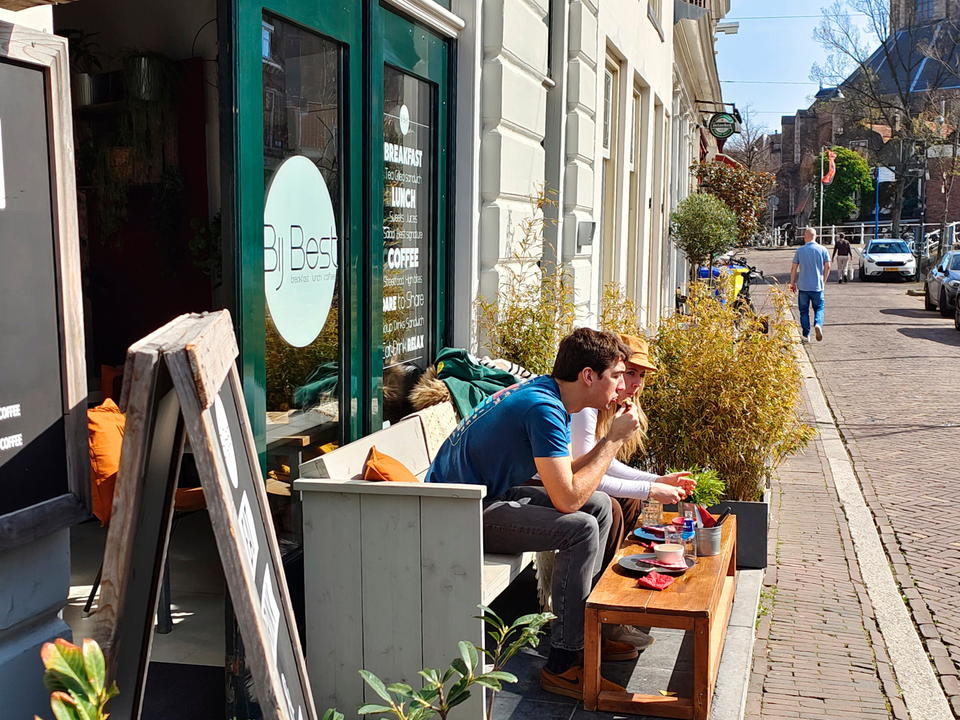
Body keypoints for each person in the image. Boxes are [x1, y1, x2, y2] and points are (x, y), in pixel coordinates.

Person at [427, 328, 642, 699]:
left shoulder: (547, 394)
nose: (623, 385)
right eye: (617, 375)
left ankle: (582, 633)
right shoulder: (543, 407)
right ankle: (563, 663)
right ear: (588, 376)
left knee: (601, 506)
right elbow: (567, 500)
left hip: (485, 495)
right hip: (456, 511)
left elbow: (569, 478)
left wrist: (608, 445)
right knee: (583, 528)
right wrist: (612, 441)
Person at [570, 333, 695, 650]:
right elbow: (587, 474)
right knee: (609, 506)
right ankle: (599, 617)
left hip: (562, 487)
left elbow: (605, 465)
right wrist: (651, 488)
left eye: (641, 375)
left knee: (622, 501)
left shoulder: (608, 405)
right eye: (629, 373)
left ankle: (613, 609)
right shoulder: (588, 405)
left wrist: (658, 480)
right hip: (545, 490)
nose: (635, 383)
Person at [789, 227, 831, 343]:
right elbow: (828, 266)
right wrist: (824, 281)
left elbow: (794, 267)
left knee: (803, 311)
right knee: (819, 308)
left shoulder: (800, 250)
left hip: (803, 286)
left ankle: (806, 335)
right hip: (817, 286)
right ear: (816, 237)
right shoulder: (823, 249)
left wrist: (792, 283)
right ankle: (818, 324)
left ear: (804, 237)